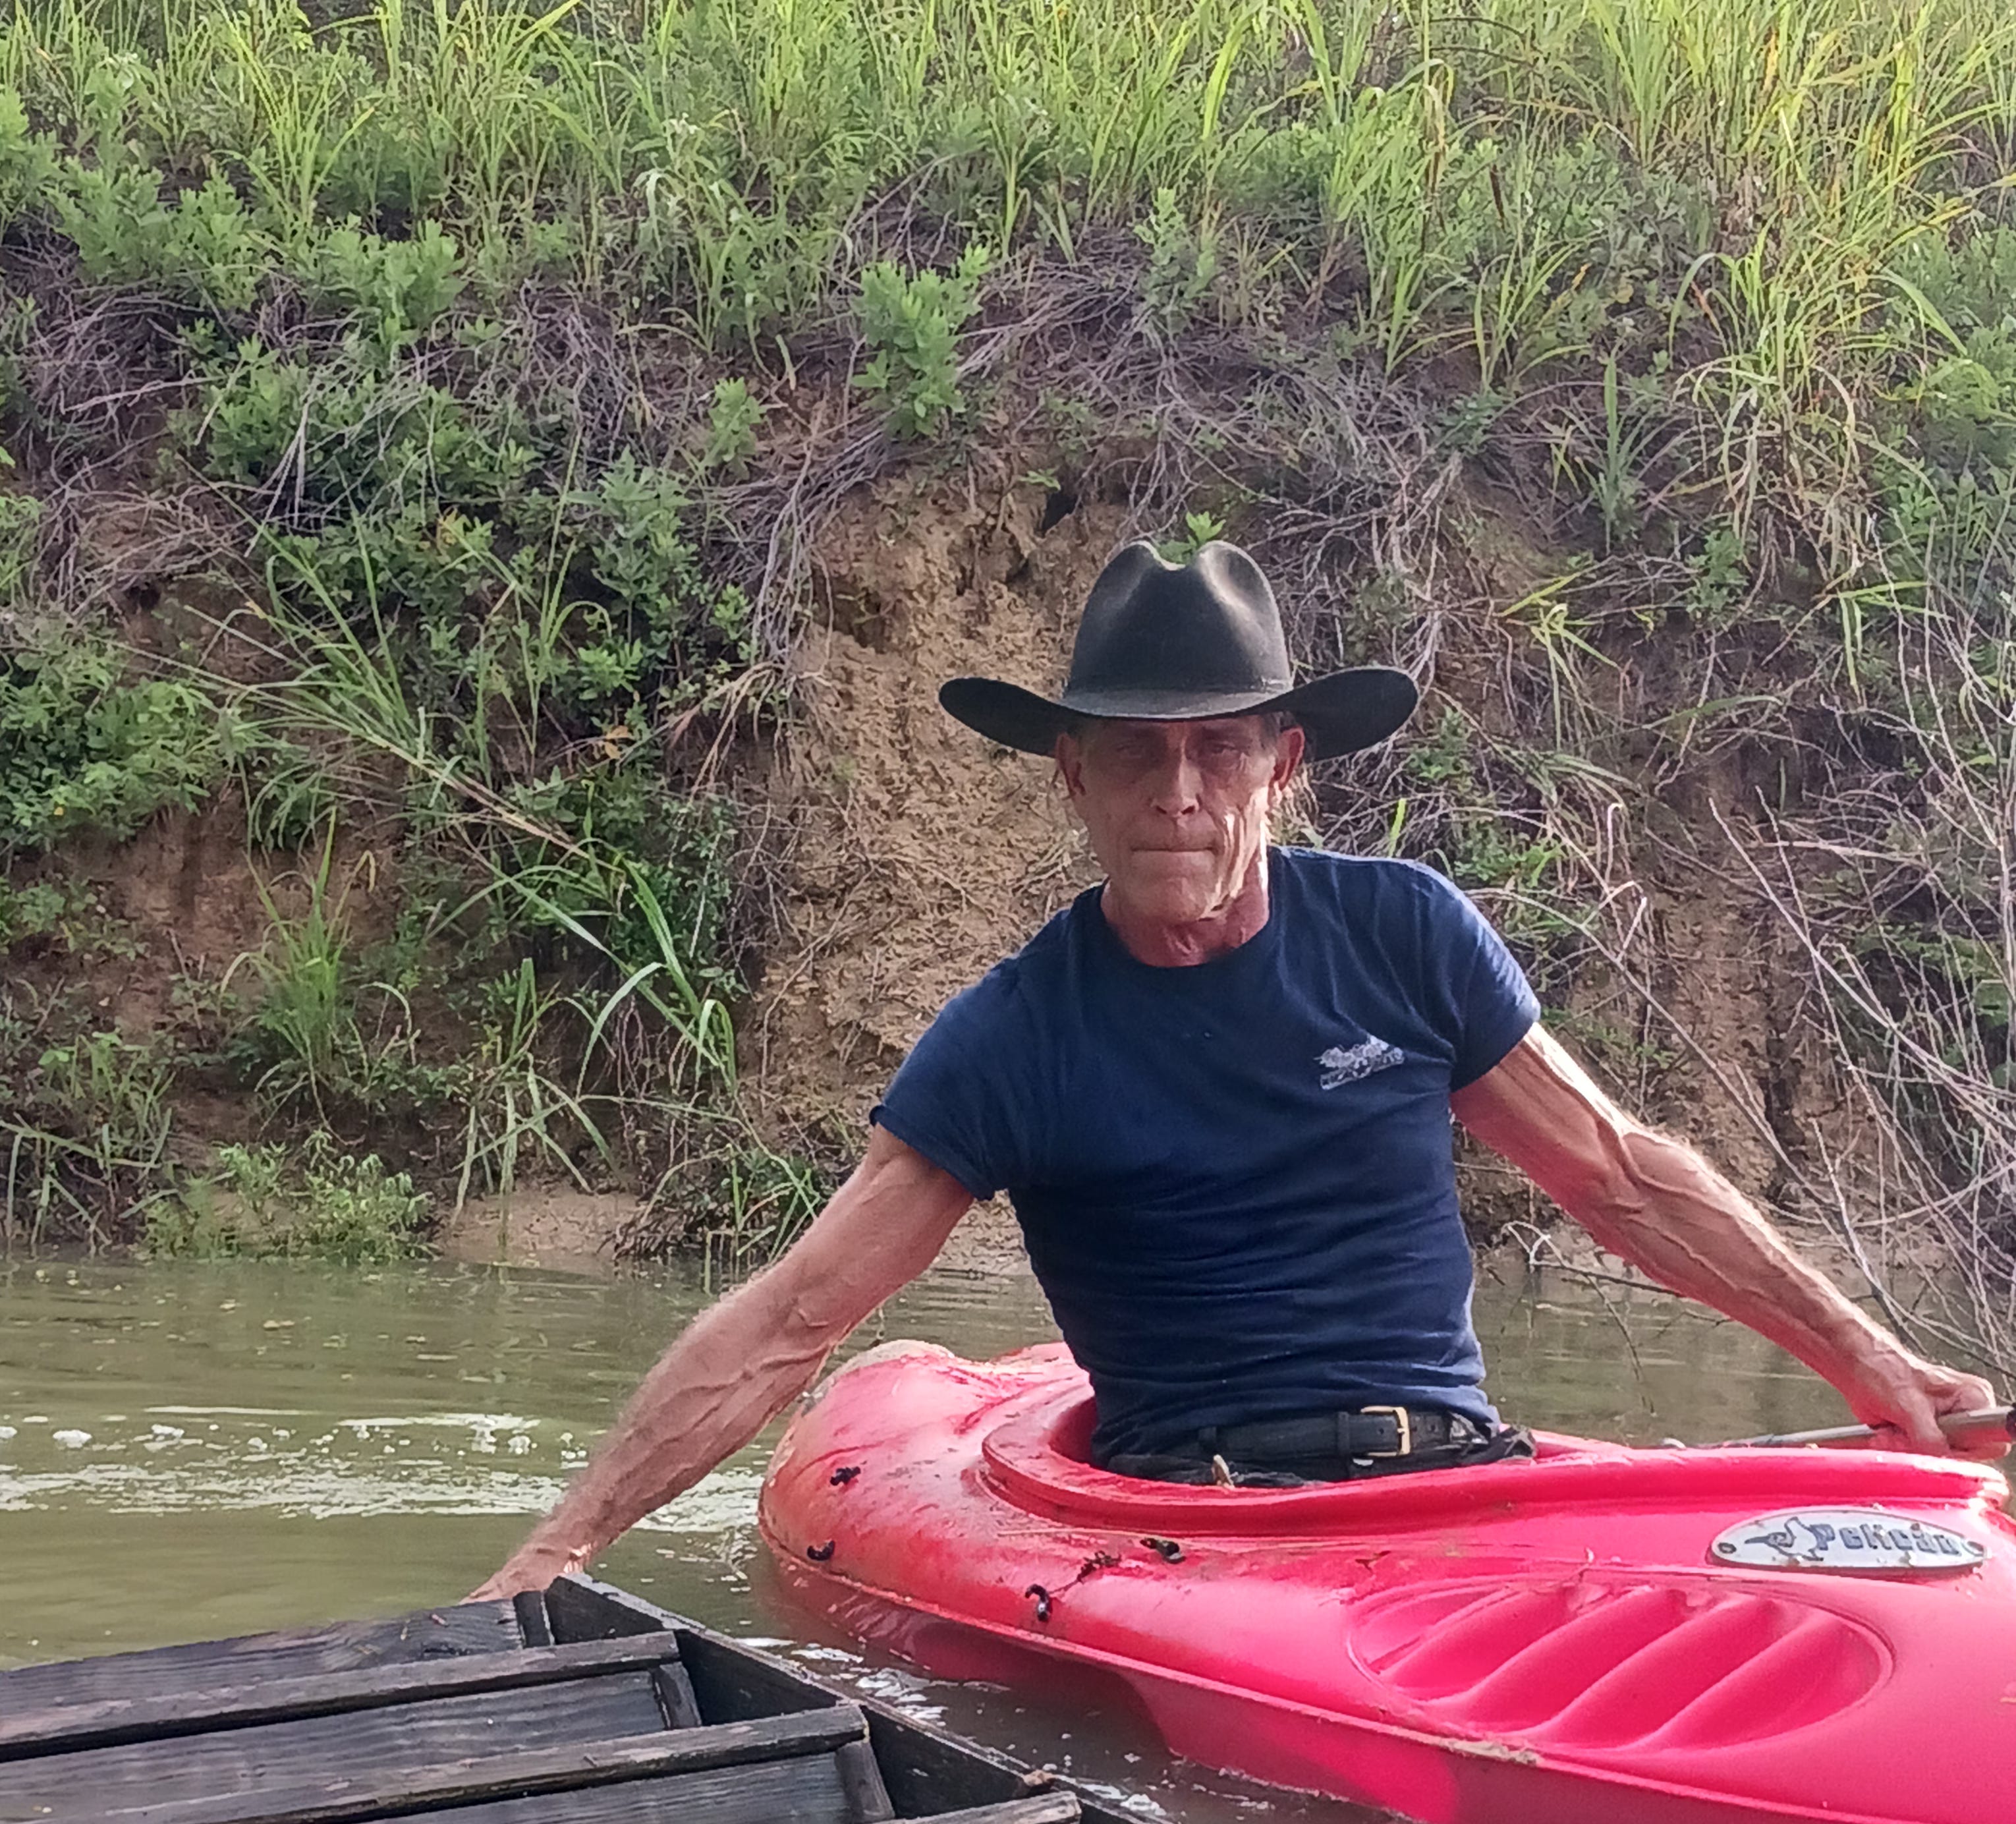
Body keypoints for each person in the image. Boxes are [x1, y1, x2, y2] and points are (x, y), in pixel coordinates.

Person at [473, 540, 2003, 1595]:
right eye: (1137, 753)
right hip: (1194, 1523)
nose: (1180, 793)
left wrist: (1874, 1366)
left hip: (1455, 1483)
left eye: (1219, 748)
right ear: (1072, 774)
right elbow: (795, 1318)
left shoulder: (1406, 931)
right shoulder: (1013, 1035)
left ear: (1284, 761)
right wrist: (563, 1546)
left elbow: (1621, 1181)